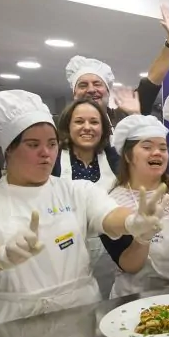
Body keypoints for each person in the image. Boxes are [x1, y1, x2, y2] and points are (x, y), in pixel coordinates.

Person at [0, 91, 163, 329]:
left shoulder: (77, 190)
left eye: (51, 144)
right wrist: (2, 256)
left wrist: (133, 222)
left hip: (78, 313)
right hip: (9, 322)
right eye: (33, 144)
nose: (46, 153)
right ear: (8, 149)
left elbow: (109, 215)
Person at [103, 115, 169, 297]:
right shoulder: (111, 202)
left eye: (163, 148)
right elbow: (128, 265)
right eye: (147, 147)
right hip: (138, 298)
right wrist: (142, 238)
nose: (157, 152)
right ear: (128, 155)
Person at [51, 99, 117, 297]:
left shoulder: (113, 159)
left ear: (103, 128)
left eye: (94, 122)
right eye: (79, 122)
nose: (87, 127)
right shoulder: (54, 159)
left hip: (109, 249)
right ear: (67, 126)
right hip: (64, 249)